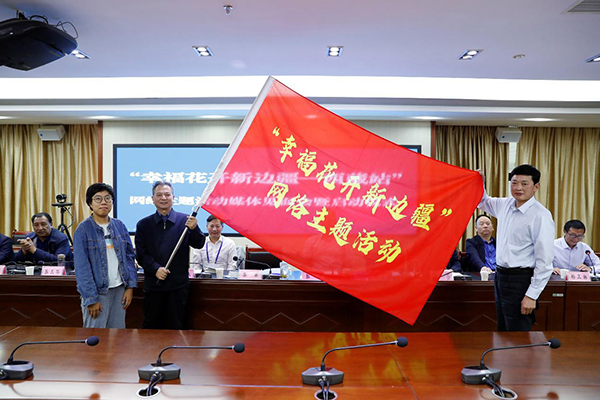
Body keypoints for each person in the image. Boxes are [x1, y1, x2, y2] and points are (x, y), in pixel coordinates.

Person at [477, 164, 554, 331]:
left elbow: (545, 261)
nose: (518, 188)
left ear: (536, 187)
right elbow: (482, 201)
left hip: (521, 280)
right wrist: (478, 182)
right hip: (500, 276)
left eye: (524, 183)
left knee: (517, 332)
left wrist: (531, 295)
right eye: (514, 183)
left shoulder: (541, 215)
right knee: (503, 329)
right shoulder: (505, 205)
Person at [135, 181, 205, 329]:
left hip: (178, 286)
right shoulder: (143, 224)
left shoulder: (185, 221)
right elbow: (141, 254)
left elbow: (199, 244)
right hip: (154, 285)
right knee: (151, 328)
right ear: (152, 199)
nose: (163, 198)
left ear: (174, 197)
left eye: (167, 194)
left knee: (176, 327)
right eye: (159, 194)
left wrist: (195, 229)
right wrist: (155, 269)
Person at [74, 183, 138, 328]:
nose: (104, 202)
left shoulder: (119, 225)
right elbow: (82, 267)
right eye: (98, 199)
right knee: (96, 336)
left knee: (117, 336)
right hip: (98, 292)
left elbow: (129, 258)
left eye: (107, 198)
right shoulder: (83, 230)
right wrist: (91, 299)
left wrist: (130, 287)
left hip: (119, 290)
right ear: (90, 203)